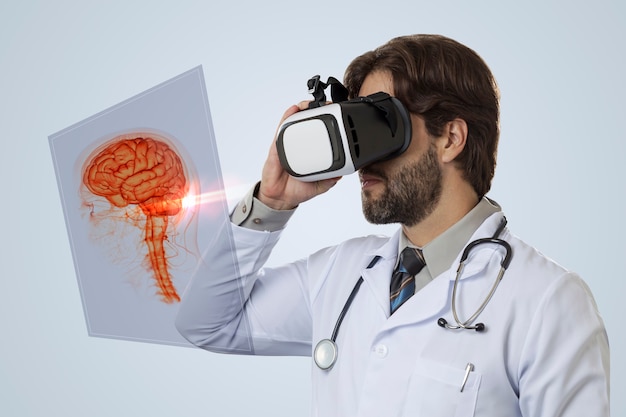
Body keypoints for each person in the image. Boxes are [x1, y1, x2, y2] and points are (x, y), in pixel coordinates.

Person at [176, 34, 610, 416]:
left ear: (450, 139)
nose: (364, 157)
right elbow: (207, 324)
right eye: (354, 128)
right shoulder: (340, 273)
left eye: (380, 125)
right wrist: (271, 203)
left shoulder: (548, 301)